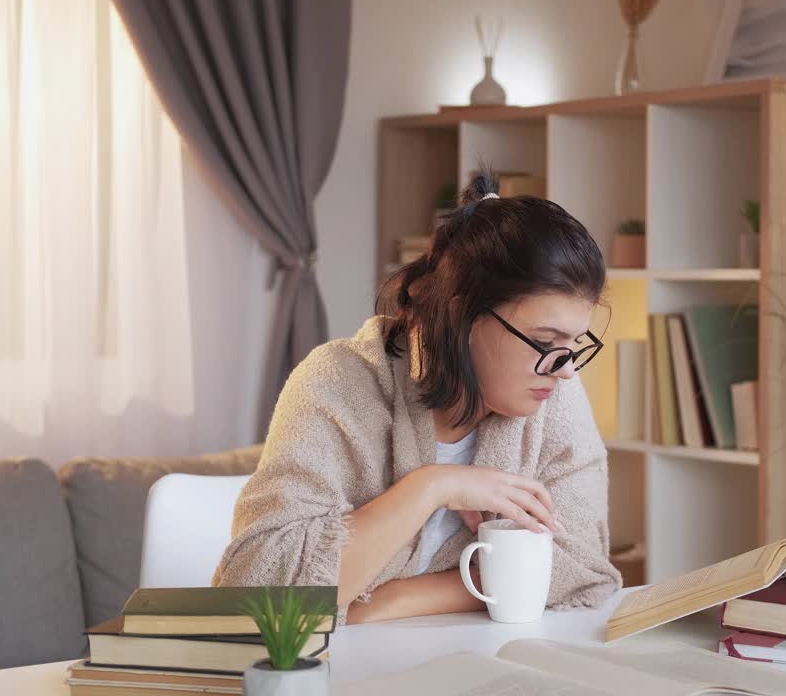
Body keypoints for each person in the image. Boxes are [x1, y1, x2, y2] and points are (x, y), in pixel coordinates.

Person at [212, 172, 622, 623]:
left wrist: (394, 601)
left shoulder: (550, 392)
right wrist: (432, 486)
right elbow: (255, 589)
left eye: (573, 345)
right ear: (461, 313)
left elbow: (581, 567)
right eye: (545, 342)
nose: (565, 369)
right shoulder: (336, 385)